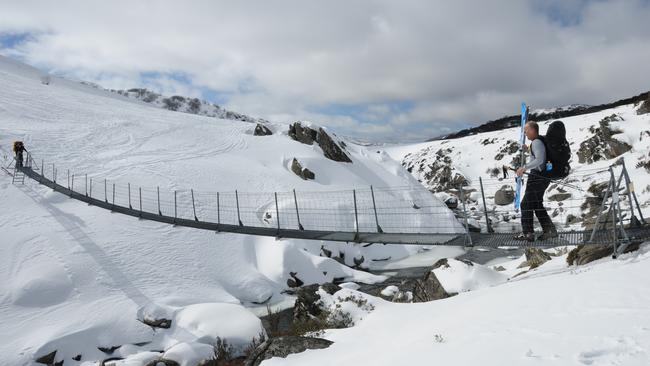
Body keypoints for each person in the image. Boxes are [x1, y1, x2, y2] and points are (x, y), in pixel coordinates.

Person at [514, 121, 557, 241]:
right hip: (542, 177)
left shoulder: (536, 142)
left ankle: (528, 233)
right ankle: (550, 231)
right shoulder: (538, 141)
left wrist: (524, 168)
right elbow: (537, 154)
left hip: (537, 177)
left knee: (525, 204)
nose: (525, 133)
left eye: (526, 130)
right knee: (537, 204)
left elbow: (539, 160)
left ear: (533, 130)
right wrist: (527, 149)